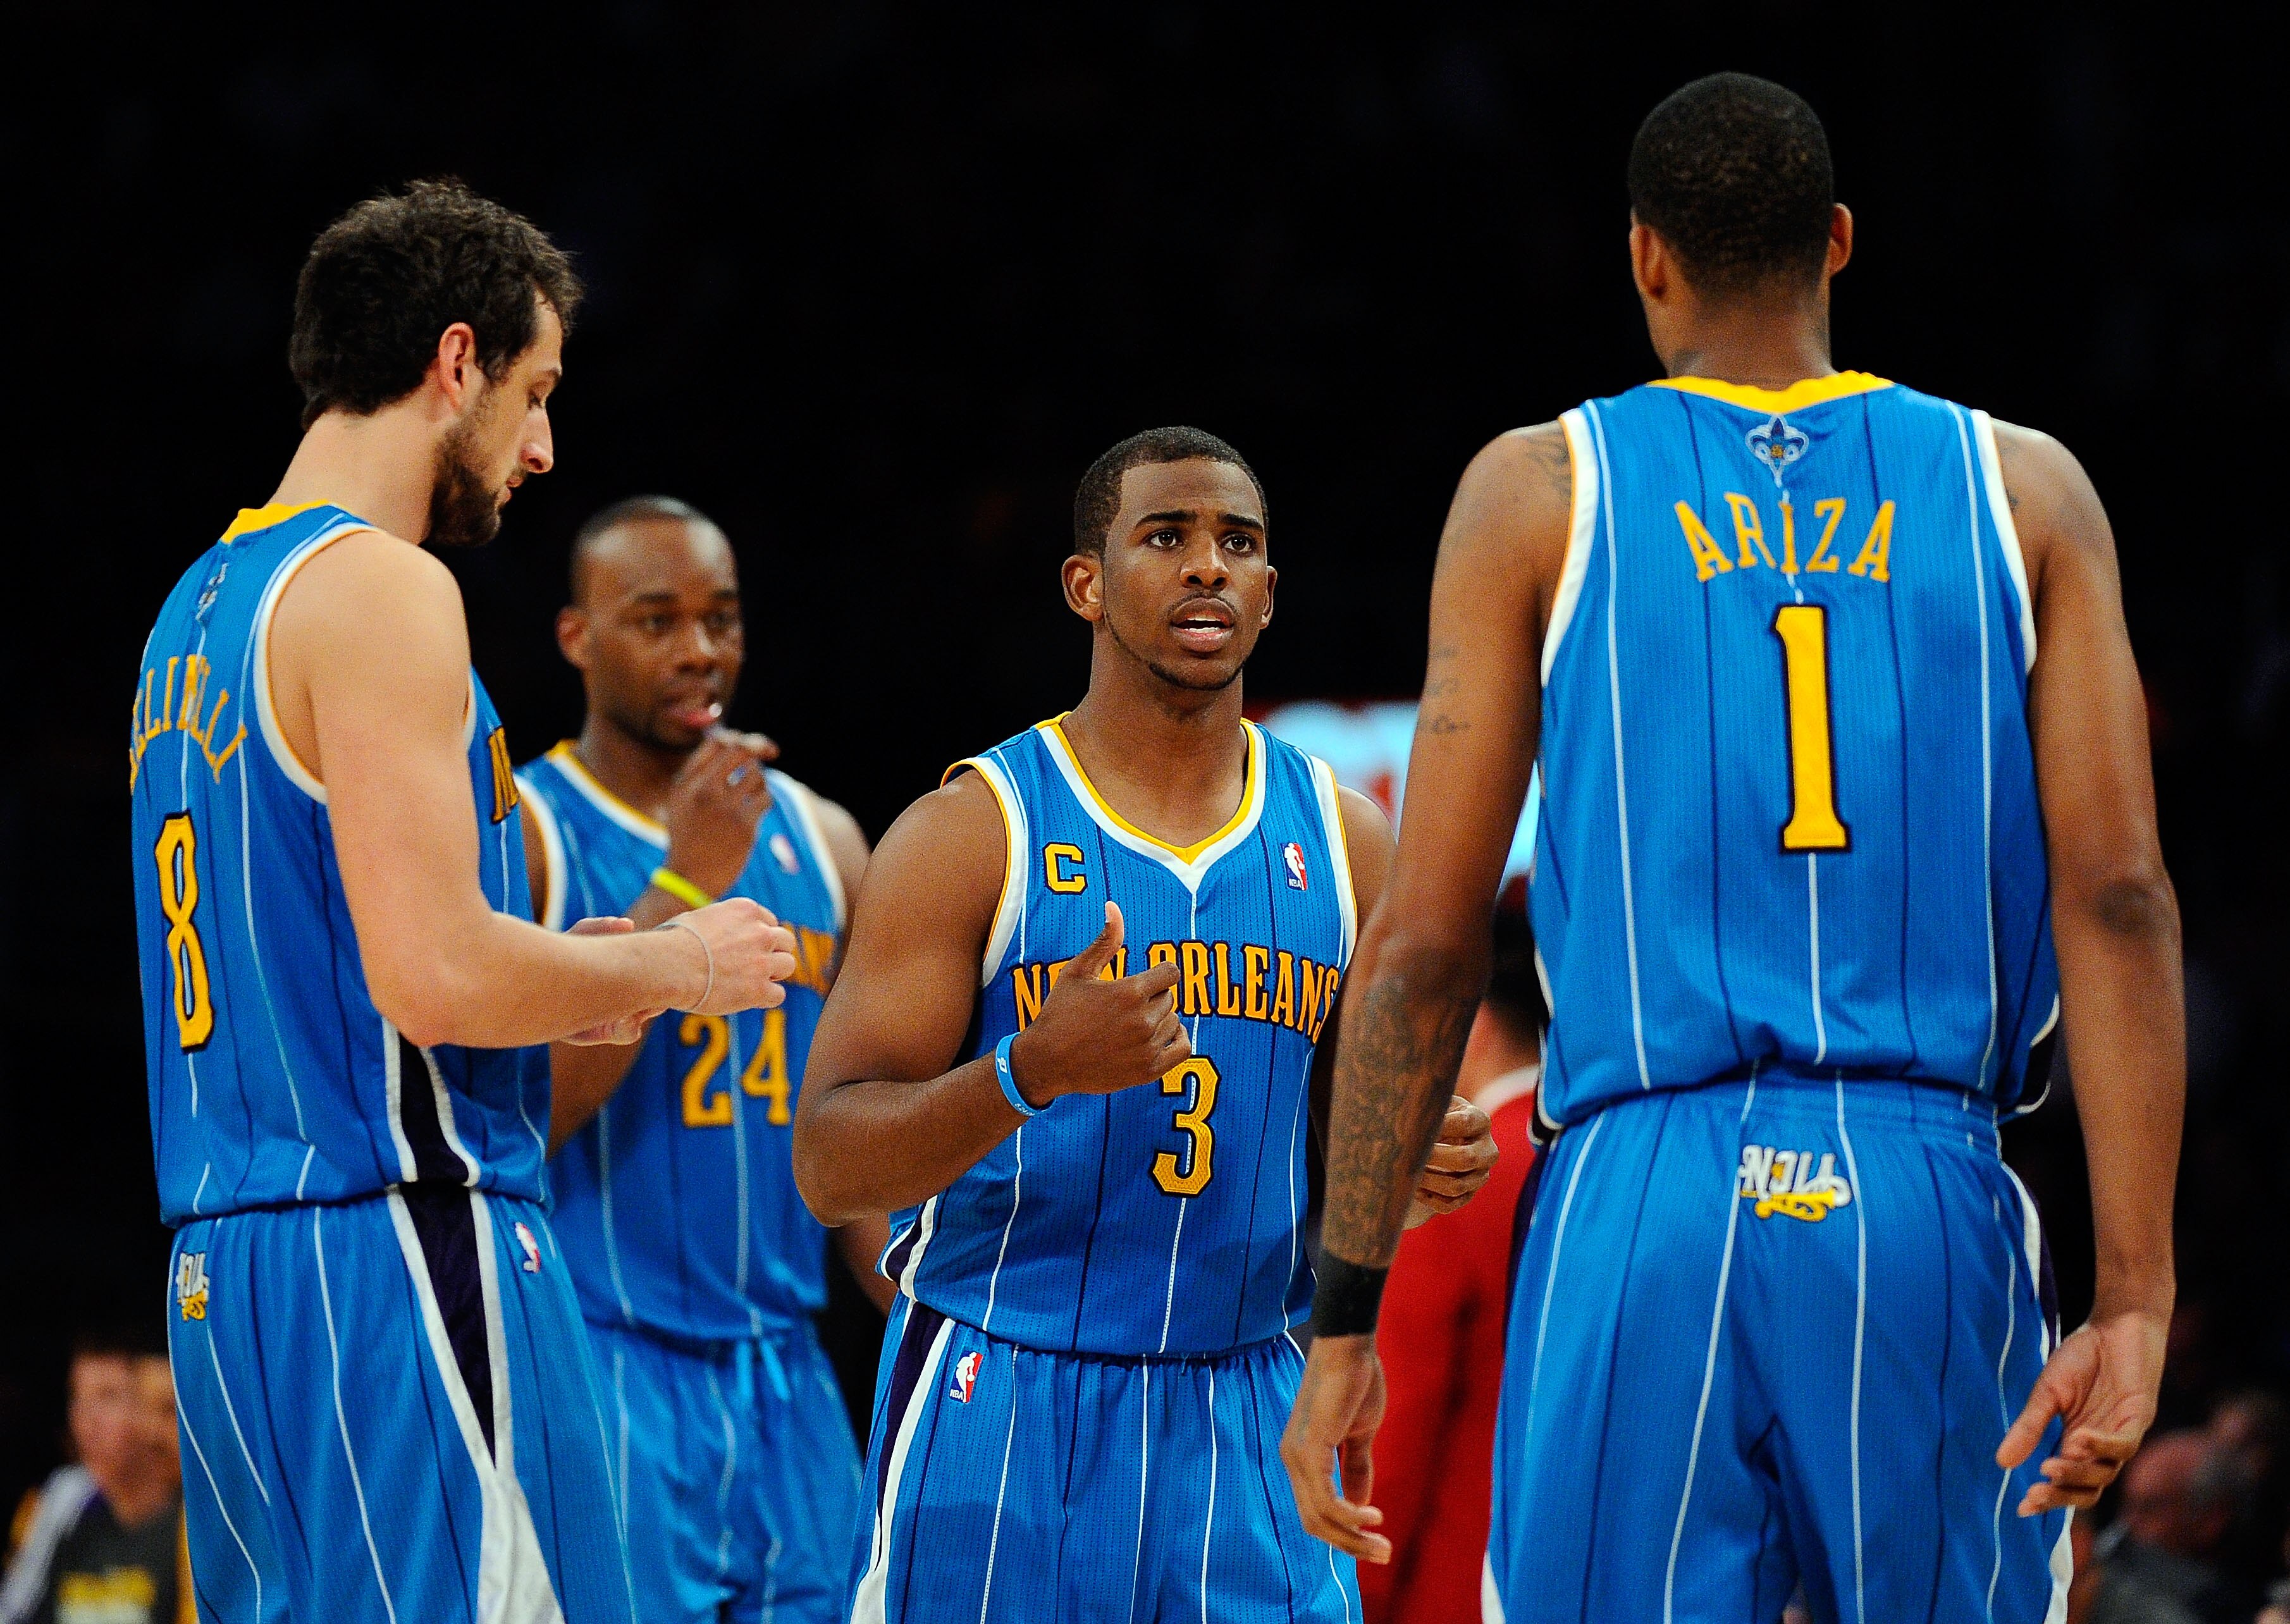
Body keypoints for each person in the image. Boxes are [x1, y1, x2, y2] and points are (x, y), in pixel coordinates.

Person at [1281, 72, 2184, 1624]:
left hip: (1645, 1186)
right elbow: (2118, 897)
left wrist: (1346, 1308)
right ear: (1838, 243)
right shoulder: (2026, 489)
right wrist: (2137, 1289)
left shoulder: (1535, 490)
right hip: (1924, 1188)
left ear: (1645, 258)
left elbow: (1424, 943)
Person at [129, 180, 796, 1624]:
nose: (543, 443)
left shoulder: (194, 607)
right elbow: (427, 974)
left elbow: (343, 946)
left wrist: (575, 968)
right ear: (454, 362)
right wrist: (684, 955)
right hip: (403, 1254)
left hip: (230, 1281)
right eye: (535, 388)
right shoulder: (384, 587)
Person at [792, 427, 1499, 1622]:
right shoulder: (973, 832)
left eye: (1238, 544)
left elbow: (1340, 1135)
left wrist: (1408, 1153)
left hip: (1252, 1396)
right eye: (1165, 537)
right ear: (1087, 582)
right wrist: (1027, 1071)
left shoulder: (1348, 843)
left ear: (1271, 593)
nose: (1207, 567)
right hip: (1002, 1392)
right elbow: (829, 1160)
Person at [515, 495, 891, 1623]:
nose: (699, 650)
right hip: (608, 1362)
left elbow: (860, 1124)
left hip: (791, 1371)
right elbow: (520, 1125)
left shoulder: (823, 838)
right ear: (579, 637)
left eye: (720, 618)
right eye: (657, 619)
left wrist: (936, 1310)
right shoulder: (527, 830)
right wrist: (684, 883)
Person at [1357, 903, 1542, 1624]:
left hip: (1452, 1587)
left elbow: (1393, 1427)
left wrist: (1353, 1597)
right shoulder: (1604, 1170)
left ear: (1476, 1031)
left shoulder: (1451, 1188)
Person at [1, 1333, 185, 1624]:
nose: (87, 1416)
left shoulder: (191, 1528)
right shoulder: (61, 1506)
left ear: (147, 1410)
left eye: (108, 1396)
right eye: (77, 1396)